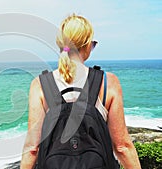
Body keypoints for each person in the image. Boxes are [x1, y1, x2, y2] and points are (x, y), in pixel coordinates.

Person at [20, 14, 141, 169]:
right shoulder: (107, 82)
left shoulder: (40, 84)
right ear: (87, 45)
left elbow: (32, 149)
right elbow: (122, 146)